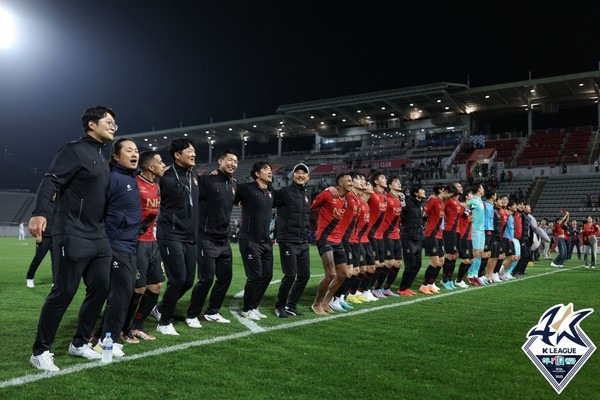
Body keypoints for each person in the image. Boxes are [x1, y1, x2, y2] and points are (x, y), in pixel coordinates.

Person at [28, 106, 117, 372]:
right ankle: (40, 351)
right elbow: (50, 181)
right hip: (73, 232)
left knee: (101, 287)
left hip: (98, 235)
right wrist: (39, 212)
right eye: (109, 122)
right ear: (92, 124)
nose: (114, 126)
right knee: (63, 292)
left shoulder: (102, 156)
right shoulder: (74, 149)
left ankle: (79, 344)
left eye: (115, 123)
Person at [93, 138, 142, 358]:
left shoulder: (131, 178)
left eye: (137, 151)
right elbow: (98, 211)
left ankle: (103, 336)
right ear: (115, 156)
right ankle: (106, 341)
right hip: (115, 245)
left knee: (125, 294)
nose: (135, 154)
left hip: (130, 246)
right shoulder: (112, 178)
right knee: (120, 295)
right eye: (129, 150)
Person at [186, 149, 238, 325]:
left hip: (224, 240)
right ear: (220, 161)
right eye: (229, 160)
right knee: (206, 279)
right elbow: (191, 199)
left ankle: (212, 312)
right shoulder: (207, 180)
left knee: (225, 277)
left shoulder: (234, 183)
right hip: (205, 237)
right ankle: (192, 315)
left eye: (235, 162)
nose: (232, 164)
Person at [153, 138, 199, 335]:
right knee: (177, 279)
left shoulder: (194, 175)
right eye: (188, 150)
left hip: (191, 235)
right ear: (177, 155)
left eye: (193, 149)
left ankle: (161, 308)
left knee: (188, 281)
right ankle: (164, 322)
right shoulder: (164, 176)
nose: (193, 153)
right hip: (170, 234)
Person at [122, 150, 166, 341]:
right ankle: (123, 329)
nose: (164, 164)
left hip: (152, 243)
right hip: (136, 243)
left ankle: (137, 326)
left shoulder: (156, 186)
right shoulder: (134, 184)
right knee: (137, 289)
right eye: (160, 162)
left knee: (155, 286)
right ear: (150, 167)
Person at [235, 161, 274, 321]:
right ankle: (246, 308)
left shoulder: (270, 192)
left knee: (267, 276)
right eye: (266, 169)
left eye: (271, 169)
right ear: (257, 173)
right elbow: (230, 197)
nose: (270, 171)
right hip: (249, 240)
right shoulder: (246, 189)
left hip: (266, 241)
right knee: (255, 276)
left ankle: (254, 306)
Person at [310, 172, 352, 315]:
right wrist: (317, 226)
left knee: (343, 274)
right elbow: (312, 207)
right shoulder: (328, 193)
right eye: (349, 180)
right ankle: (316, 304)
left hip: (337, 240)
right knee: (330, 274)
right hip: (325, 238)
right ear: (340, 183)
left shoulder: (346, 199)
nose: (351, 183)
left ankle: (326, 303)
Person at [273, 163, 311, 318]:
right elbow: (267, 201)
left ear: (308, 177)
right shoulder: (284, 192)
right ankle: (279, 306)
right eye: (297, 172)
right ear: (292, 175)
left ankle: (291, 305)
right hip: (288, 240)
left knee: (305, 275)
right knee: (290, 275)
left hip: (303, 241)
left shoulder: (308, 195)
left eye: (304, 173)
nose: (300, 175)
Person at [396, 183, 426, 295]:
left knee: (417, 265)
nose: (424, 192)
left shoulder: (420, 205)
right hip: (408, 237)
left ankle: (407, 287)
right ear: (416, 192)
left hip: (418, 238)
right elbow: (400, 212)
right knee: (410, 265)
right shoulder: (408, 203)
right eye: (422, 190)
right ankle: (402, 288)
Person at [26, 196, 57, 288]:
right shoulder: (43, 206)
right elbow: (38, 221)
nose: (54, 196)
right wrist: (38, 235)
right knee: (38, 259)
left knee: (56, 261)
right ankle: (29, 277)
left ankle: (55, 282)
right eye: (52, 194)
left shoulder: (59, 205)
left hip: (55, 237)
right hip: (44, 237)